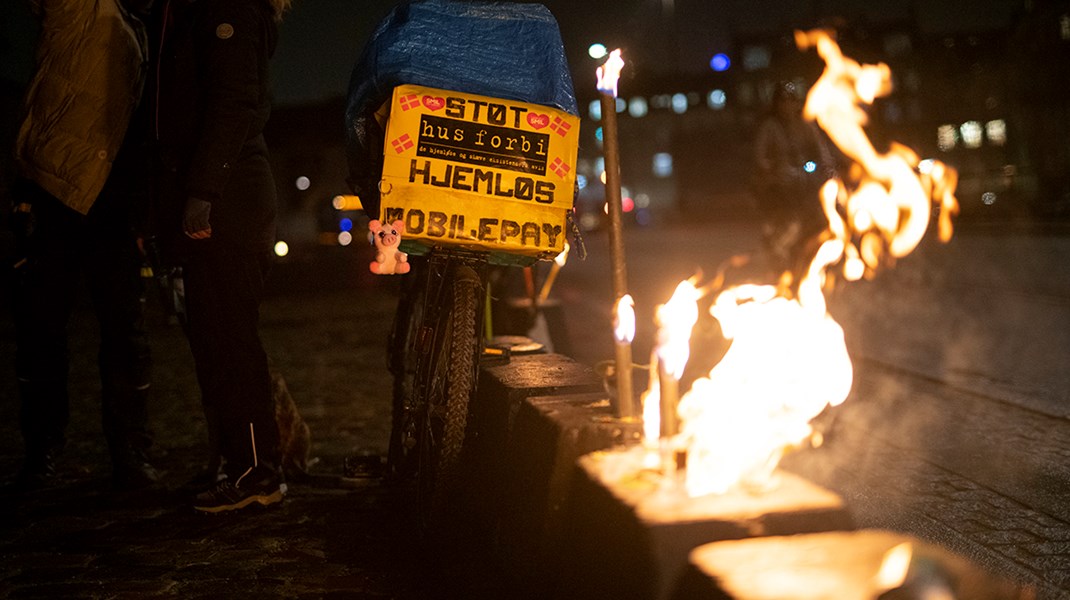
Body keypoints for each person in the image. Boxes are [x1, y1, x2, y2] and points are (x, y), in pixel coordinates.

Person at [8, 0, 158, 491]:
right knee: (41, 330)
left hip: (112, 199)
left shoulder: (142, 22)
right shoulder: (85, 7)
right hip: (55, 187)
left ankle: (129, 452)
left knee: (125, 333)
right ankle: (43, 453)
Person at [152, 0, 291, 513]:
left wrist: (203, 191)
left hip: (229, 203)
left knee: (231, 340)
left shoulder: (229, 7)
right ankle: (238, 463)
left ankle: (258, 471)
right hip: (217, 197)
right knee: (214, 341)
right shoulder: (200, 11)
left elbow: (234, 104)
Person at [753, 81, 836, 274]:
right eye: (783, 102)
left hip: (805, 179)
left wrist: (828, 170)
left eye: (790, 101)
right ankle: (779, 259)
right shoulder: (771, 127)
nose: (787, 106)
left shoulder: (804, 125)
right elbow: (760, 155)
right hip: (779, 182)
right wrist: (770, 168)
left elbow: (821, 151)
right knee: (785, 222)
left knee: (818, 216)